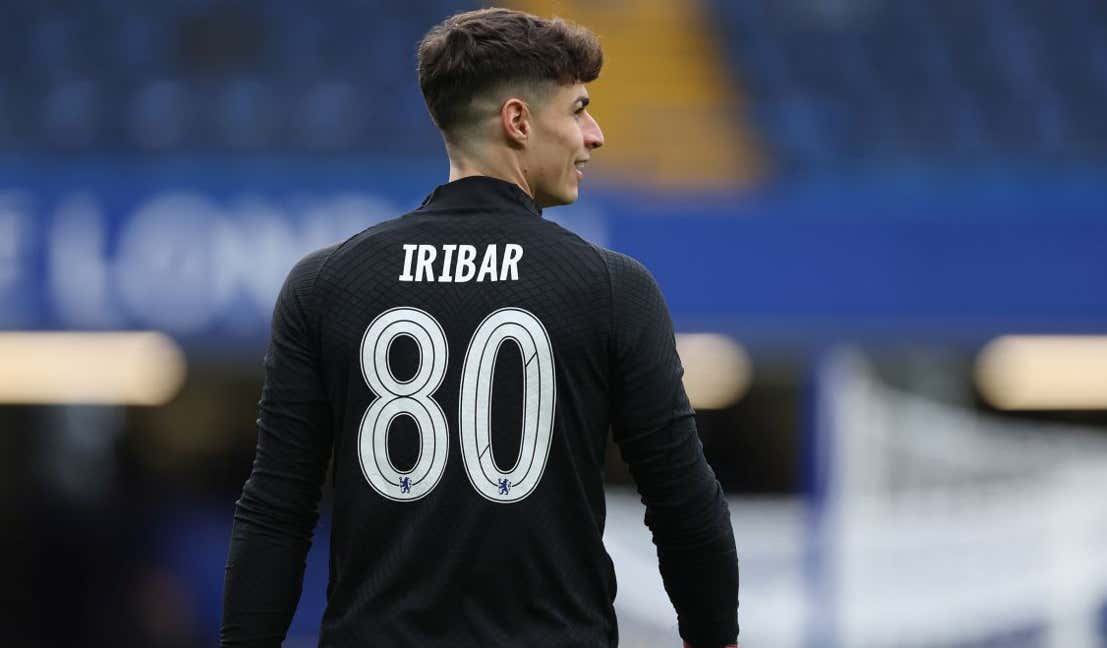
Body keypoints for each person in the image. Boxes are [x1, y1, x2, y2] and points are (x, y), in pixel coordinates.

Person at [221, 8, 738, 648]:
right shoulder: (611, 288)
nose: (594, 135)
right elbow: (686, 510)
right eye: (578, 109)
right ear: (518, 121)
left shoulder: (326, 283)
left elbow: (275, 512)